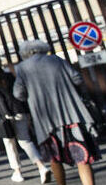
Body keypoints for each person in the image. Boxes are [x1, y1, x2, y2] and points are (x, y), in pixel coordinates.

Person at [13, 40, 101, 185]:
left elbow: (18, 93)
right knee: (82, 156)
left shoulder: (22, 68)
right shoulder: (57, 60)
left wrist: (32, 94)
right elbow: (77, 79)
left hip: (45, 121)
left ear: (24, 53)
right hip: (70, 115)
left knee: (54, 157)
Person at [0, 59, 51, 183]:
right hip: (19, 111)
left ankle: (17, 172)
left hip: (2, 115)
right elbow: (19, 92)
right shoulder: (8, 76)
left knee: (9, 144)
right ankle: (41, 166)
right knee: (25, 141)